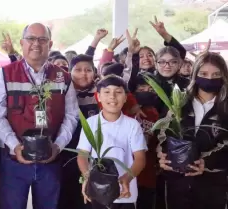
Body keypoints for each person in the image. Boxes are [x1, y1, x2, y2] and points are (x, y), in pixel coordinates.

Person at [0, 23, 78, 209]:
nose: (36, 44)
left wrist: (57, 146)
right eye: (31, 38)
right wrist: (15, 147)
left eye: (42, 39)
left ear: (50, 44)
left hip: (51, 158)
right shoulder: (5, 74)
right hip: (14, 159)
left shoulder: (63, 77)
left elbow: (71, 116)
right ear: (22, 43)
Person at [158, 52, 228, 209]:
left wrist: (207, 162)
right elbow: (163, 134)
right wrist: (162, 155)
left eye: (216, 74)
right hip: (177, 184)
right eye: (204, 74)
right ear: (195, 75)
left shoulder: (225, 107)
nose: (210, 78)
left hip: (213, 187)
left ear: (224, 76)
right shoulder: (179, 103)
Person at [77, 75, 147, 209]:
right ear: (98, 96)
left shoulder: (132, 125)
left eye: (118, 92)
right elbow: (82, 155)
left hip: (124, 191)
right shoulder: (91, 123)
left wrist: (127, 178)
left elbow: (140, 158)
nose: (112, 97)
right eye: (107, 92)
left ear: (126, 97)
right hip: (98, 189)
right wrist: (87, 176)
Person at [58, 54, 98, 209]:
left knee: (88, 197)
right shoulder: (61, 93)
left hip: (93, 156)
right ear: (69, 72)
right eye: (78, 70)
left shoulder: (102, 93)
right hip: (65, 153)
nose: (83, 74)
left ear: (94, 72)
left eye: (88, 70)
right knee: (66, 194)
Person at [133, 73, 160, 209]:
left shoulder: (155, 113)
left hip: (148, 170)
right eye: (141, 89)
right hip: (128, 171)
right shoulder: (125, 109)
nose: (146, 93)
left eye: (151, 89)